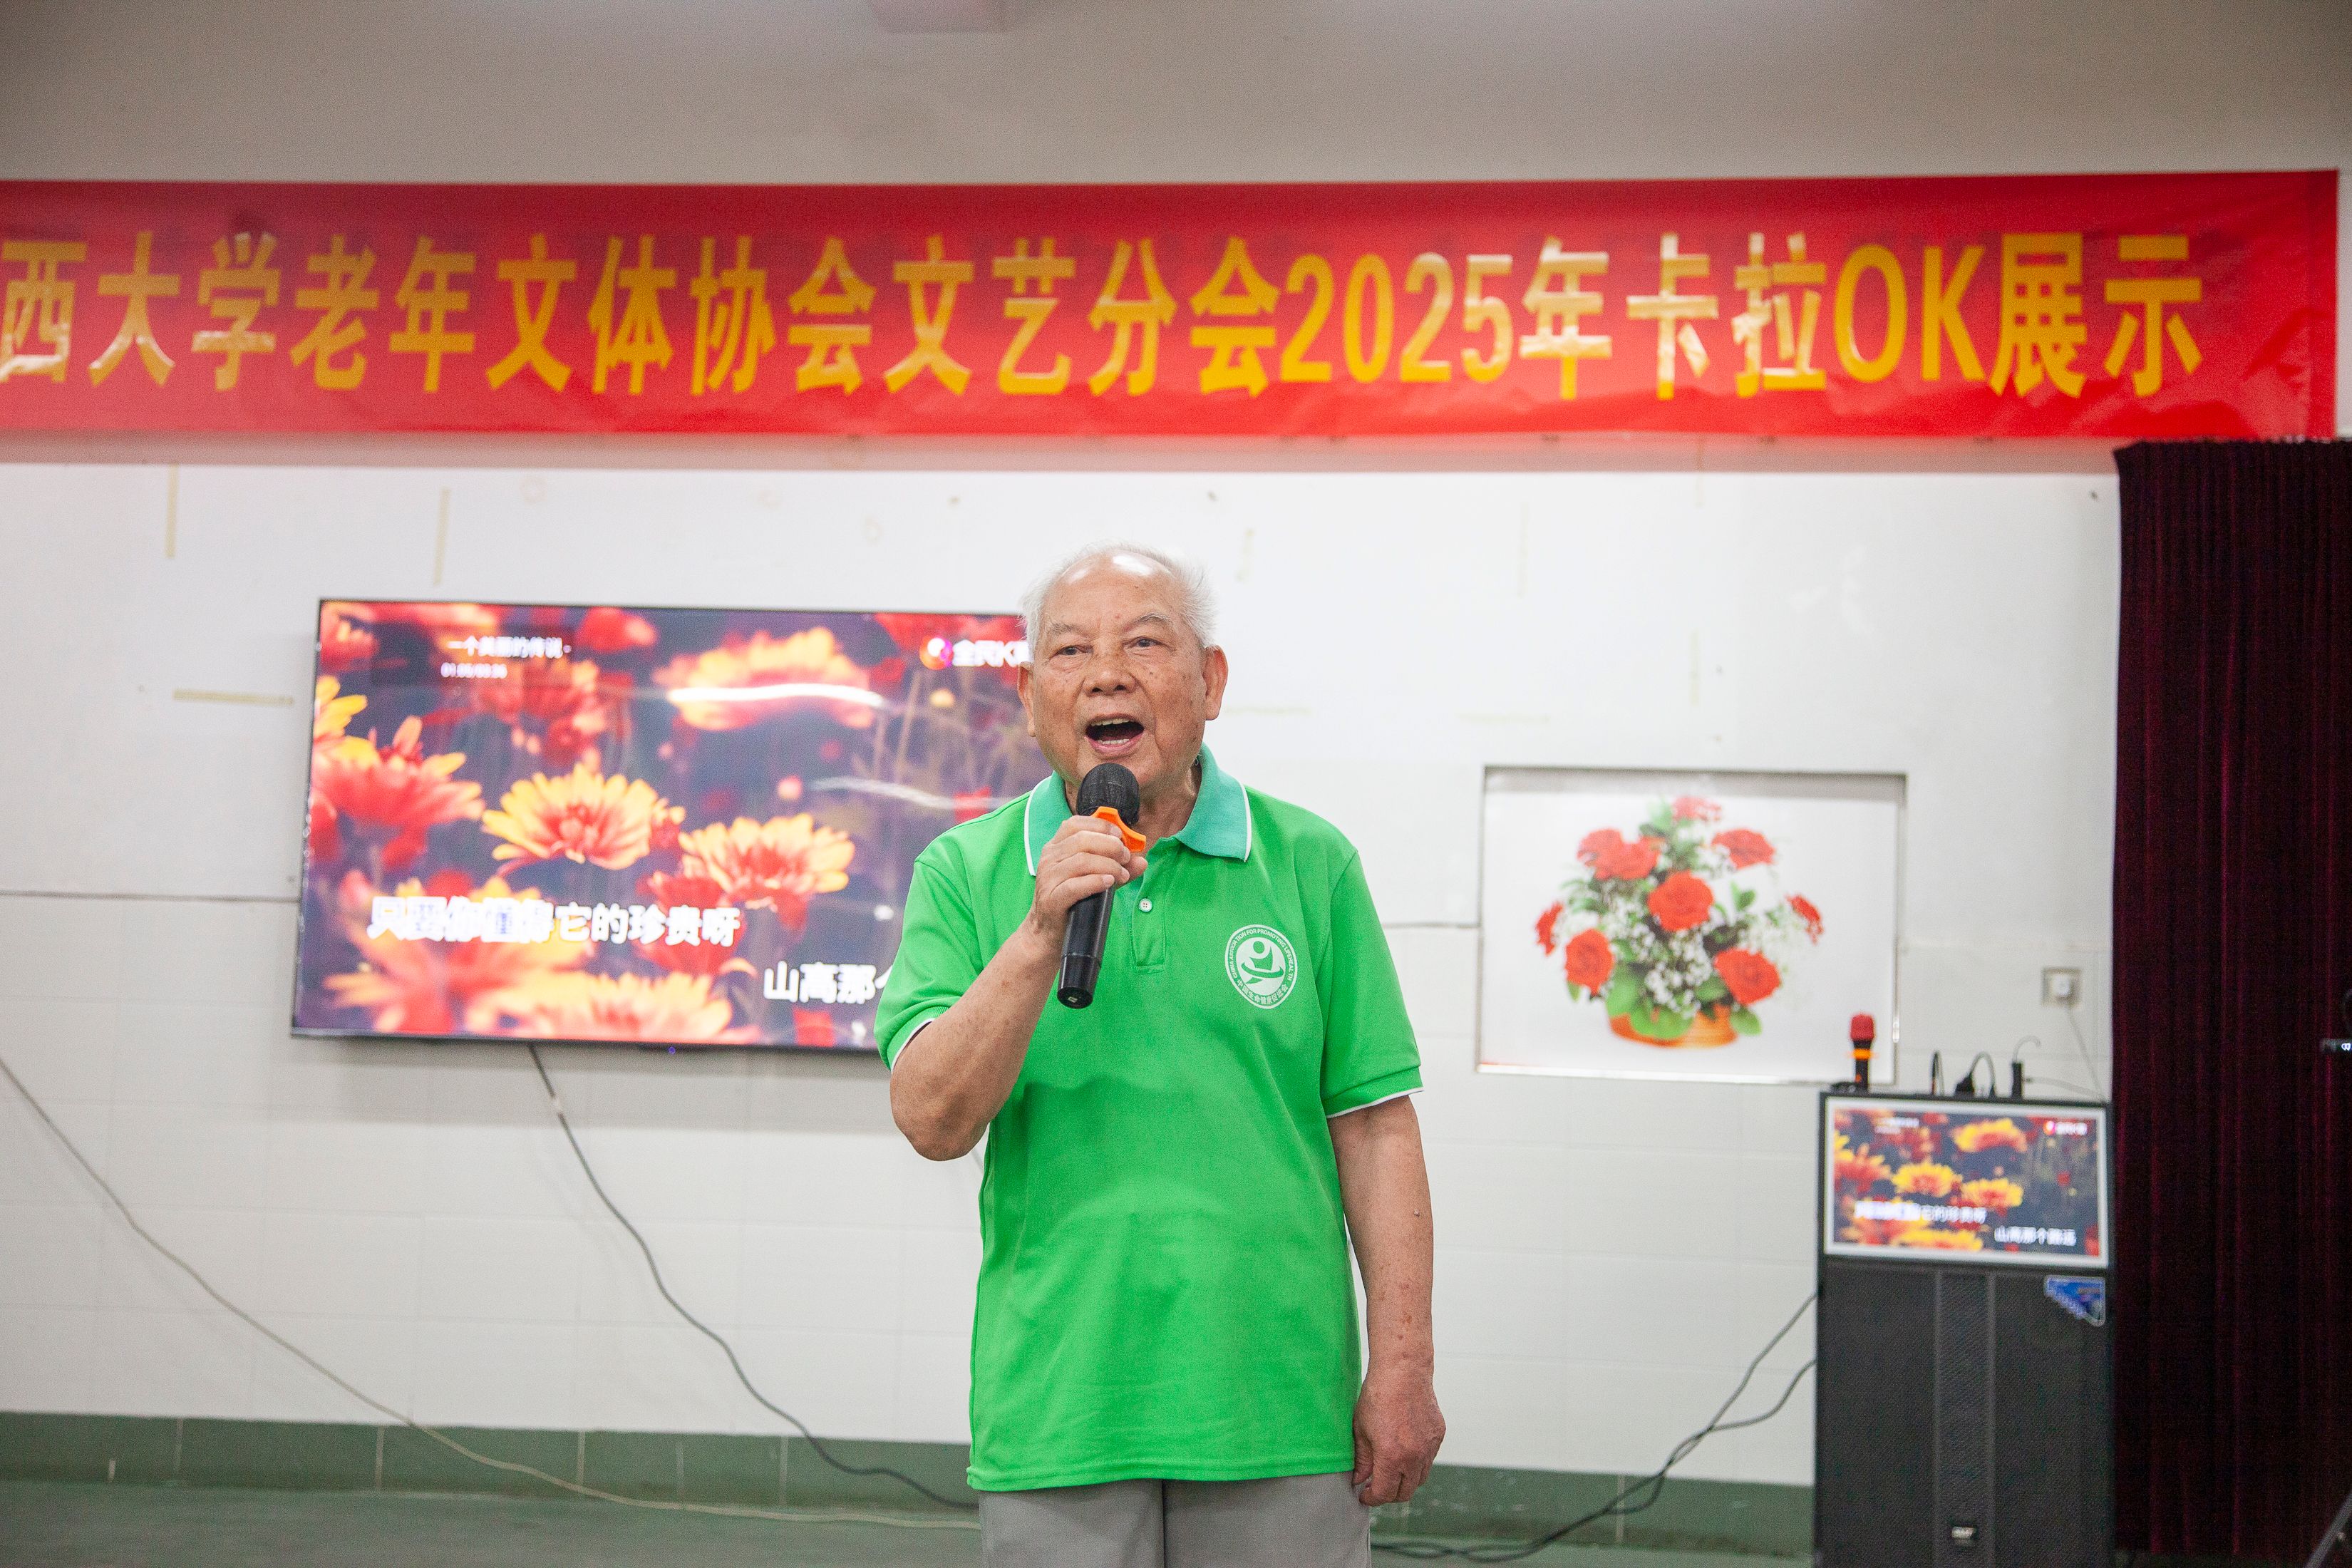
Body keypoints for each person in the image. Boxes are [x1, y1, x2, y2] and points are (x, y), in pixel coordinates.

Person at [877, 543, 1444, 1567]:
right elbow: (931, 1120)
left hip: (1277, 1402)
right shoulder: (964, 870)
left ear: (1210, 682)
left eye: (1144, 643)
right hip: (1061, 1403)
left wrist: (1403, 1365)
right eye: (1070, 652)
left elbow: (1375, 1130)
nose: (1106, 675)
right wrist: (1039, 932)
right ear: (1029, 696)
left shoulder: (1311, 863)